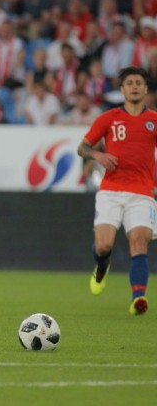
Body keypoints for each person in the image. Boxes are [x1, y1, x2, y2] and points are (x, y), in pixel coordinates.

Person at [77, 66, 157, 315]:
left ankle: (138, 298)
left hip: (142, 192)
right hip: (111, 190)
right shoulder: (108, 118)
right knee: (103, 246)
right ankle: (102, 265)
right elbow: (82, 148)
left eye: (139, 83)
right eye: (129, 83)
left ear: (145, 89)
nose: (134, 86)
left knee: (139, 242)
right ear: (122, 89)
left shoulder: (154, 120)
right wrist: (98, 155)